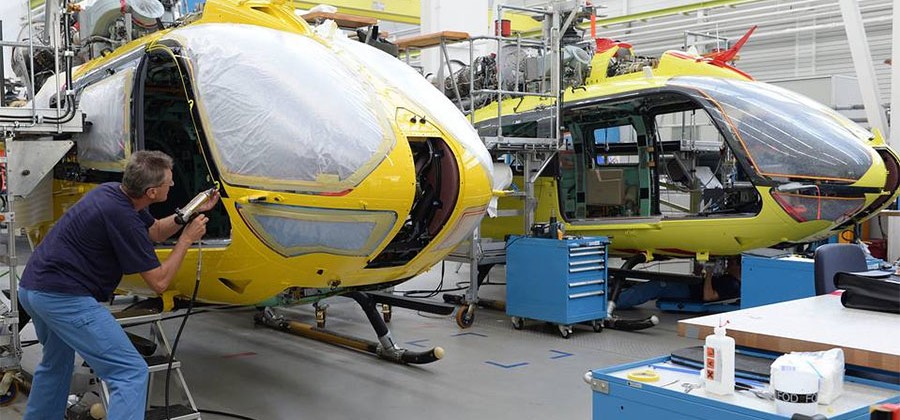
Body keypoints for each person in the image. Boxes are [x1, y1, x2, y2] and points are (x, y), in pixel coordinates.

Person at [18, 150, 219, 420]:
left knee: (56, 363)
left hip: (33, 288)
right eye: (168, 182)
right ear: (151, 192)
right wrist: (186, 240)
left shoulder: (112, 192)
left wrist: (188, 213)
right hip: (63, 297)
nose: (172, 184)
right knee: (129, 372)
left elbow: (155, 231)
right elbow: (159, 282)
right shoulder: (122, 217)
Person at [615, 257, 742, 309]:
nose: (727, 265)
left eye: (731, 263)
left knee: (656, 286)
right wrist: (701, 272)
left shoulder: (732, 284)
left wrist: (709, 273)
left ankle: (614, 303)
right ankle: (614, 296)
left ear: (739, 267)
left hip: (688, 291)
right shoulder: (728, 278)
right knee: (654, 284)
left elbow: (708, 297)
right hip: (690, 285)